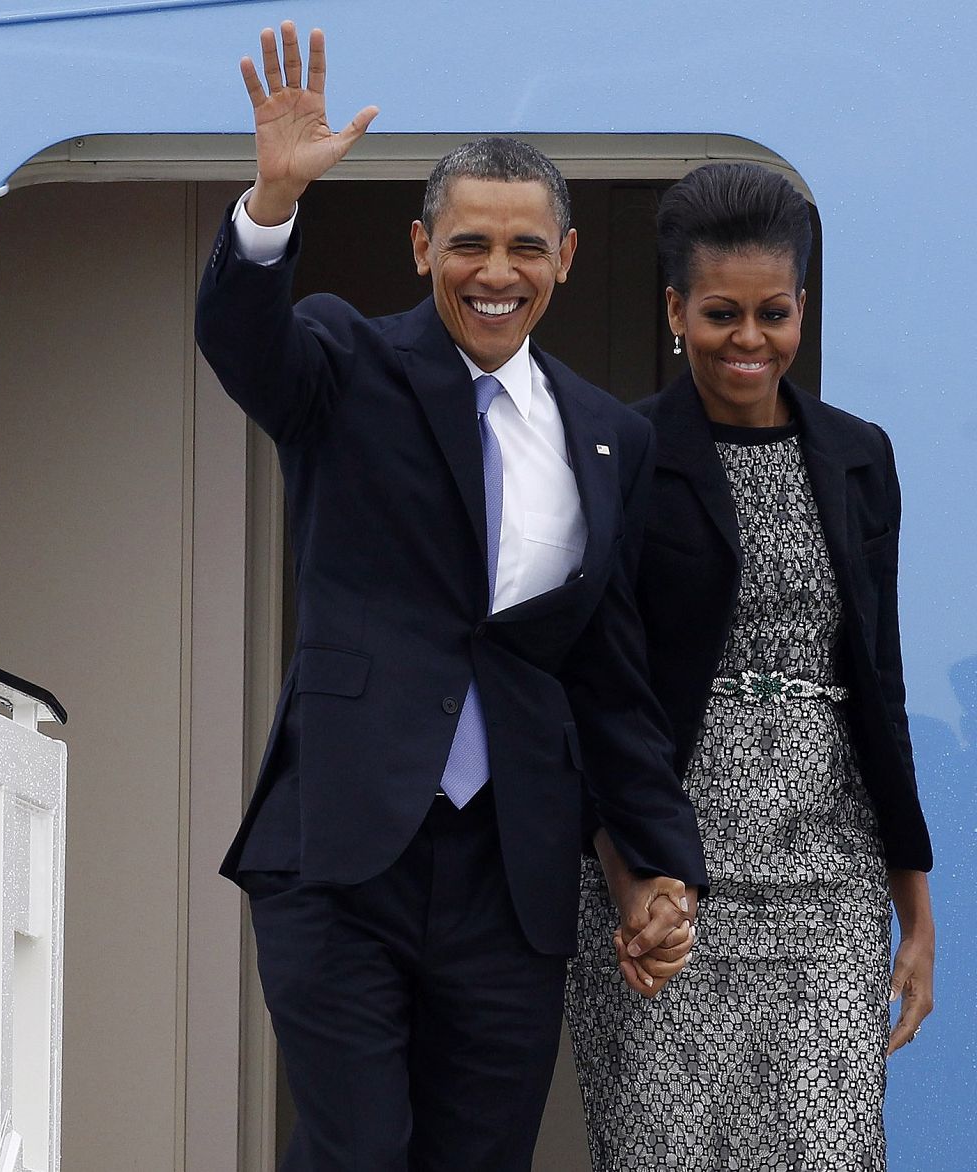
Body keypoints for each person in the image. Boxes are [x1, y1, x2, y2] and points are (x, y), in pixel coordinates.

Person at [194, 22, 708, 1170]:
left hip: (509, 870)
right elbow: (243, 342)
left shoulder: (607, 437)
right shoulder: (342, 362)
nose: (495, 272)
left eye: (524, 246)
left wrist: (658, 858)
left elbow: (606, 675)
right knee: (359, 1148)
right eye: (468, 242)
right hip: (343, 845)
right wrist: (272, 203)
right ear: (423, 245)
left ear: (564, 256)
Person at [566, 161, 936, 1169]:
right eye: (720, 313)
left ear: (801, 309)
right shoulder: (620, 453)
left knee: (827, 1148)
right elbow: (596, 688)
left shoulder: (860, 457)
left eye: (773, 313)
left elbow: (881, 682)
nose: (748, 339)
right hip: (670, 887)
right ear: (674, 310)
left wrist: (914, 909)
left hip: (830, 881)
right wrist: (630, 876)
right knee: (666, 1152)